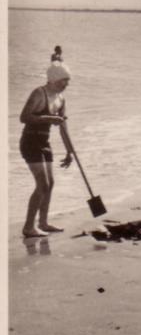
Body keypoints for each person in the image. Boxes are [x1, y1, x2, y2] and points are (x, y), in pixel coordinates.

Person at [19, 62, 74, 237]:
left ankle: (43, 223)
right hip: (30, 140)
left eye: (67, 81)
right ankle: (29, 227)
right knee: (42, 185)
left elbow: (63, 126)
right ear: (52, 80)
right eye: (63, 81)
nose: (66, 84)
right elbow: (24, 117)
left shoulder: (61, 99)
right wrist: (49, 118)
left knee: (50, 185)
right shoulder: (39, 93)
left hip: (44, 141)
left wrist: (69, 152)